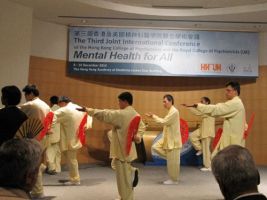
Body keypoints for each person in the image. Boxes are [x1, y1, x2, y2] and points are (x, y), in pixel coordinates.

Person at [79, 92, 146, 200]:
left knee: (123, 179)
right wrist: (138, 136)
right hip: (128, 150)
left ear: (125, 101)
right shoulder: (136, 114)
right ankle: (131, 172)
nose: (118, 103)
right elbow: (142, 127)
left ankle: (126, 197)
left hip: (122, 151)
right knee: (120, 172)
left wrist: (88, 110)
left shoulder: (122, 114)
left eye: (119, 101)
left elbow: (105, 114)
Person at [186, 81, 246, 157]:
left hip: (227, 138)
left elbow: (217, 109)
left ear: (235, 91)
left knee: (213, 154)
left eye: (228, 90)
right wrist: (193, 107)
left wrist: (198, 105)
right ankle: (209, 165)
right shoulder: (236, 103)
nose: (226, 93)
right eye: (226, 90)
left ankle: (208, 166)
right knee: (215, 156)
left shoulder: (235, 103)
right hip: (227, 137)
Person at [20, 84, 51, 198]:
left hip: (33, 138)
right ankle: (37, 189)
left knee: (33, 165)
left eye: (26, 94)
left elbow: (13, 110)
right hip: (44, 137)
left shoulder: (30, 105)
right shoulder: (46, 105)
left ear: (31, 94)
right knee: (38, 164)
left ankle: (38, 191)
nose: (25, 97)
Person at [54, 96, 92, 185]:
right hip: (77, 136)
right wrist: (86, 126)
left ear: (62, 102)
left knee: (72, 159)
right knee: (72, 159)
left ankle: (75, 179)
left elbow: (51, 116)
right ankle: (74, 177)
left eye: (59, 104)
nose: (59, 106)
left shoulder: (65, 110)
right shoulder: (77, 107)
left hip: (69, 138)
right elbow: (89, 115)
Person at [146, 94, 182, 185]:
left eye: (165, 101)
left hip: (173, 140)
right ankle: (169, 159)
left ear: (170, 101)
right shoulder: (171, 111)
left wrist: (153, 116)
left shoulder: (174, 111)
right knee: (155, 147)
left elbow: (163, 122)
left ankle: (174, 180)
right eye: (163, 101)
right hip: (167, 138)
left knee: (173, 164)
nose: (163, 103)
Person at [183, 96, 215, 171]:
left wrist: (190, 107)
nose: (201, 103)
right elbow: (198, 112)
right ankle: (200, 149)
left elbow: (198, 113)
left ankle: (208, 166)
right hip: (202, 129)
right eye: (200, 102)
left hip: (207, 131)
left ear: (207, 102)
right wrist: (189, 107)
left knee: (206, 149)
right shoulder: (204, 110)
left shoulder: (210, 110)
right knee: (192, 136)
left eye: (202, 102)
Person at [46, 96, 61, 175]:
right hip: (60, 134)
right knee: (57, 152)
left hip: (51, 133)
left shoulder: (50, 110)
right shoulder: (62, 110)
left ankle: (51, 168)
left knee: (50, 151)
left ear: (51, 102)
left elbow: (48, 123)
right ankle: (57, 168)